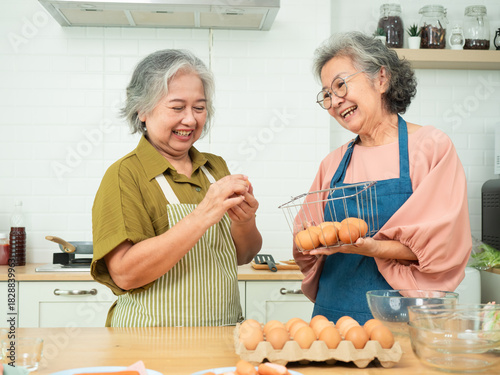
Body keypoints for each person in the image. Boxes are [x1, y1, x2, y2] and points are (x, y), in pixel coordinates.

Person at [293, 32, 472, 324]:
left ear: (381, 79)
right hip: (333, 317)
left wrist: (371, 247)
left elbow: (444, 246)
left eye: (341, 85)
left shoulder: (431, 147)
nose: (335, 101)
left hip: (404, 318)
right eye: (327, 94)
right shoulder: (333, 163)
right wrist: (307, 241)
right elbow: (306, 245)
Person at [91, 49, 262, 327]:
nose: (191, 120)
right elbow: (124, 274)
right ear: (143, 110)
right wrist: (203, 215)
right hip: (149, 343)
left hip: (222, 334)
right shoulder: (126, 175)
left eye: (199, 107)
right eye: (177, 107)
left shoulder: (214, 168)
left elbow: (243, 255)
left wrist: (246, 221)